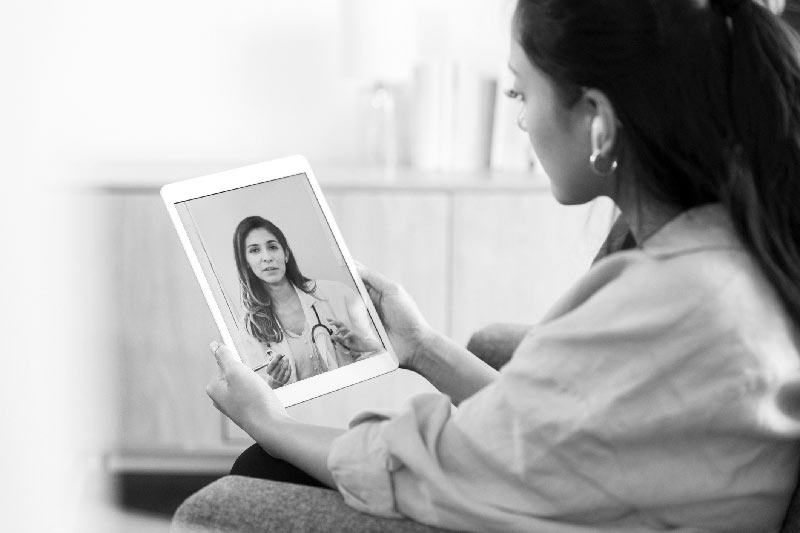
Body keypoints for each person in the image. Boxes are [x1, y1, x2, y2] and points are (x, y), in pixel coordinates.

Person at [189, 0, 800, 531]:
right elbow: (546, 436)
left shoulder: (669, 301)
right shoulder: (725, 246)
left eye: (520, 91)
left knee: (224, 499)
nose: (520, 118)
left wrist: (266, 419)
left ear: (598, 118)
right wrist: (423, 347)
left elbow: (448, 466)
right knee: (272, 464)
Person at [233, 215, 383, 388]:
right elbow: (258, 396)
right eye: (254, 250)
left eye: (273, 247)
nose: (267, 257)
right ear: (246, 263)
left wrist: (364, 347)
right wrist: (273, 384)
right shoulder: (249, 328)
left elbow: (384, 352)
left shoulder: (336, 294)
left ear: (286, 254)